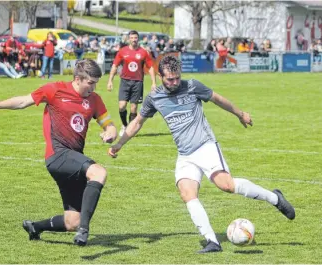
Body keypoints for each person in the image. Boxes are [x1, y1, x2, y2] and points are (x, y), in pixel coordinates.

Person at [108, 55, 295, 253]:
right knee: (187, 193)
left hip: (205, 146)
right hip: (185, 154)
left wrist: (241, 114)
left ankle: (275, 198)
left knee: (226, 185)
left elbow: (218, 99)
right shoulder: (155, 98)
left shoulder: (192, 86)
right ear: (161, 77)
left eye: (177, 78)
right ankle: (212, 241)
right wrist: (120, 143)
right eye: (170, 79)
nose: (174, 82)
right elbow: (137, 122)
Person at [0, 59, 117, 246]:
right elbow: (23, 101)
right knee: (99, 172)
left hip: (73, 161)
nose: (94, 87)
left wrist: (110, 133)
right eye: (91, 83)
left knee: (72, 221)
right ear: (78, 79)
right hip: (57, 155)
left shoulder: (94, 100)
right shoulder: (55, 89)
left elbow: (109, 124)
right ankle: (84, 230)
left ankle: (35, 226)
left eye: (96, 82)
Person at [107, 30, 156, 137]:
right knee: (122, 106)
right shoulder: (122, 51)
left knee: (134, 108)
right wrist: (110, 80)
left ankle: (130, 130)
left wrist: (153, 83)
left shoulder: (143, 52)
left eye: (135, 38)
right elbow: (115, 66)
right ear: (129, 39)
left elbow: (151, 67)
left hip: (138, 82)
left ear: (138, 39)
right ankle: (124, 125)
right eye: (132, 38)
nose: (134, 40)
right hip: (124, 81)